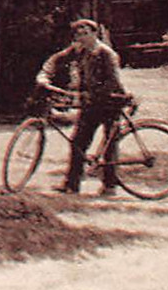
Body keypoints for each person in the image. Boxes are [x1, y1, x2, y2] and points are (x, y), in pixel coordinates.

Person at [37, 18, 129, 196]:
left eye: (86, 33)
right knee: (78, 142)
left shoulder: (106, 53)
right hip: (91, 104)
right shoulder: (78, 50)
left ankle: (110, 186)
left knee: (110, 145)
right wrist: (44, 76)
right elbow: (55, 60)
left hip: (110, 102)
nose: (82, 37)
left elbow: (114, 82)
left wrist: (93, 94)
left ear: (95, 34)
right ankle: (72, 185)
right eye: (79, 34)